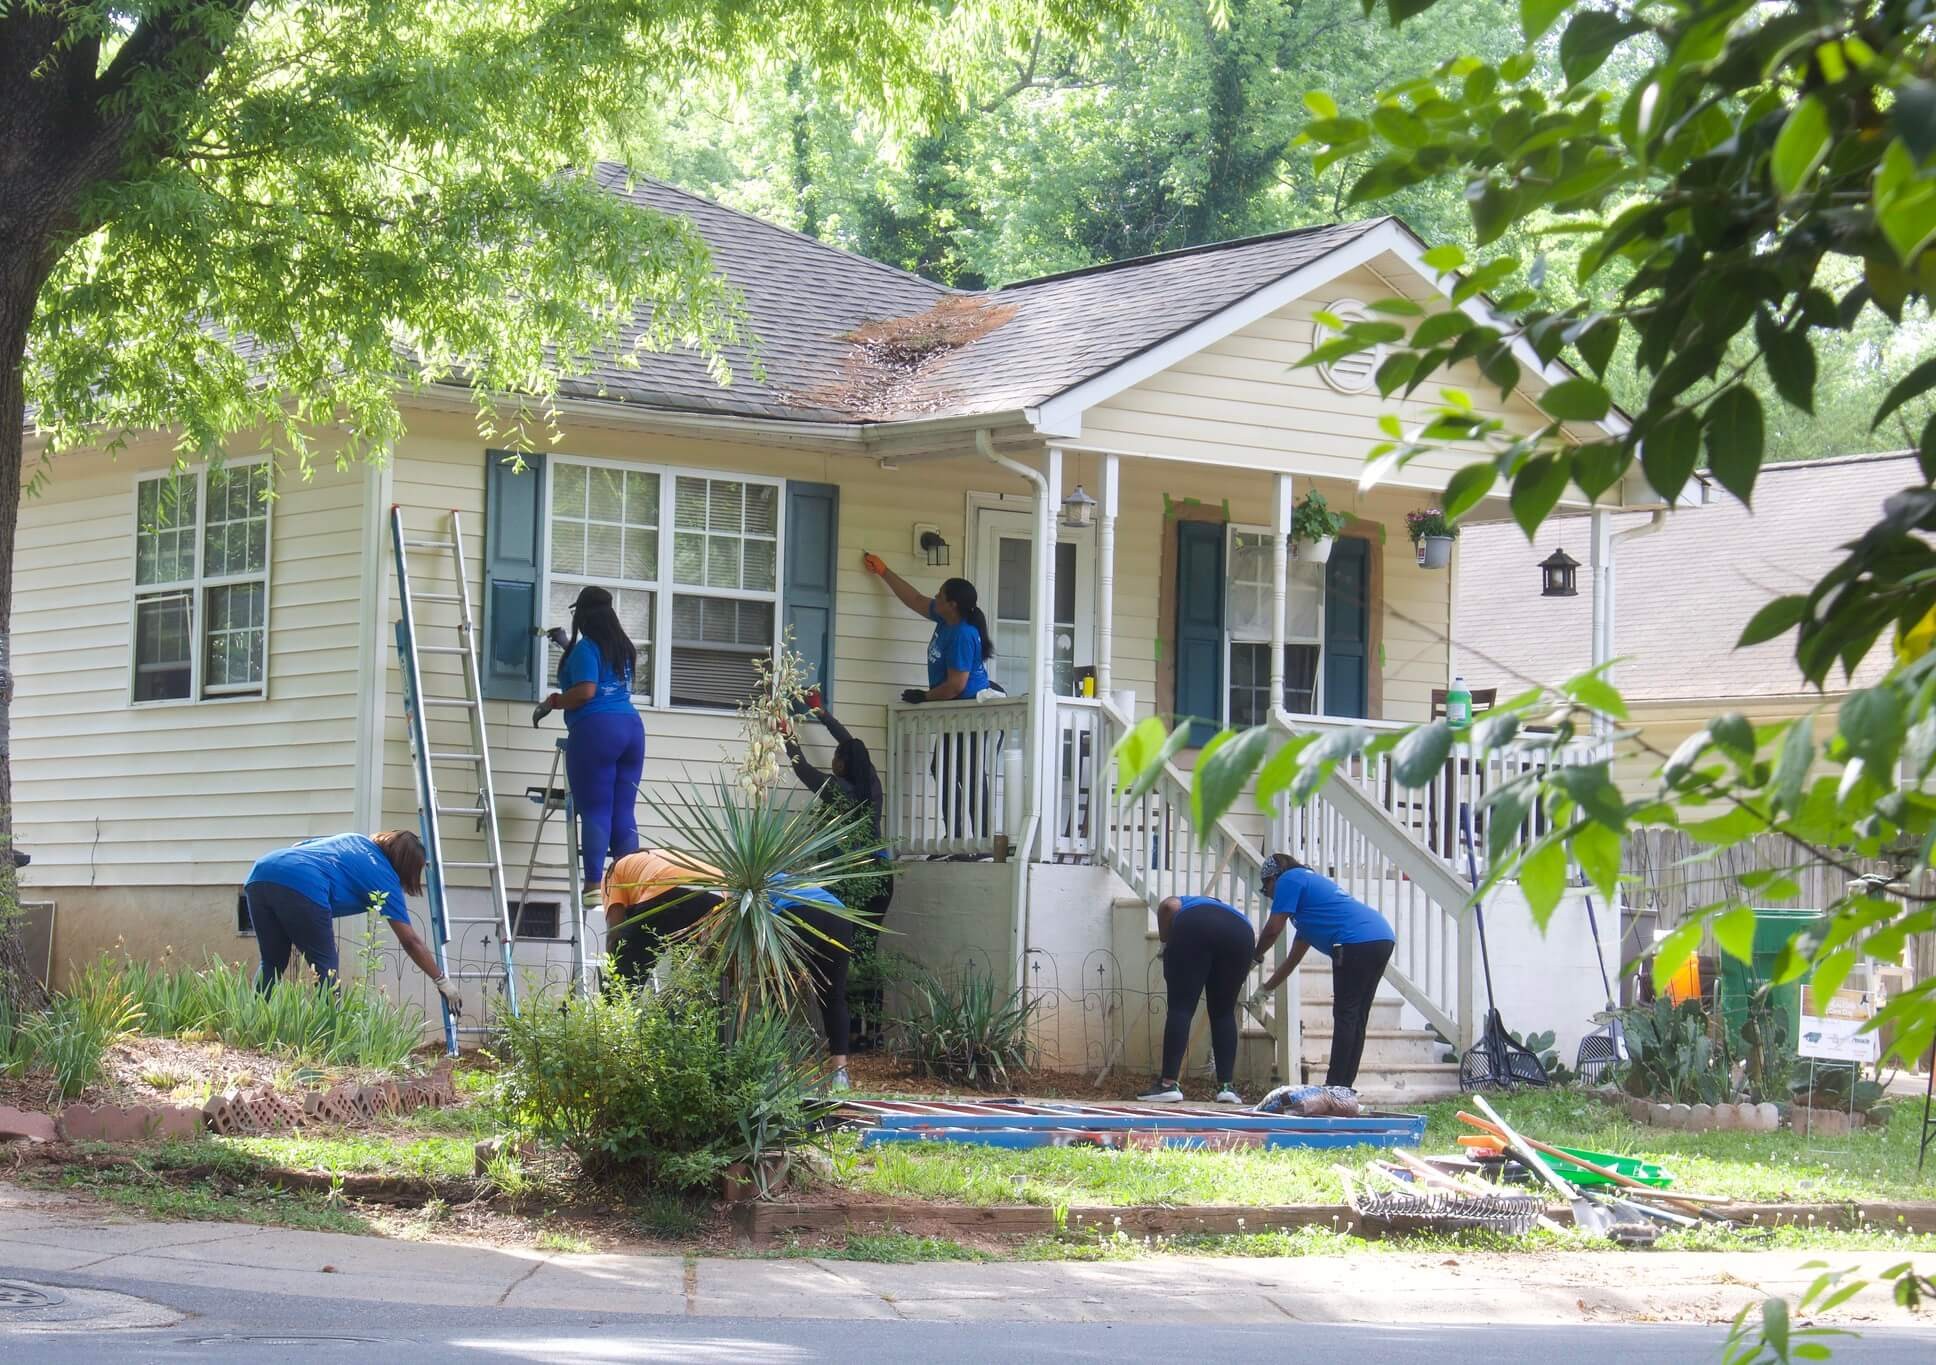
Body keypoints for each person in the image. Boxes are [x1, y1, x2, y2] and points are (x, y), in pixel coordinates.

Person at [244, 830, 462, 1017]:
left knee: (272, 961)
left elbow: (299, 846)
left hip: (261, 872)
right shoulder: (385, 879)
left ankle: (252, 1021)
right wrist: (441, 981)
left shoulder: (355, 839)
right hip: (305, 884)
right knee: (325, 966)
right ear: (408, 867)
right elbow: (410, 941)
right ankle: (328, 1037)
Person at [862, 553, 999, 841]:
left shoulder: (962, 634)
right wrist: (885, 571)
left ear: (953, 605)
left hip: (970, 711)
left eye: (941, 594)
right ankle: (959, 838)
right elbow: (914, 599)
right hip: (954, 712)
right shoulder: (945, 617)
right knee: (947, 769)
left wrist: (923, 697)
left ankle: (982, 842)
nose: (935, 596)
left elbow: (956, 685)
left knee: (969, 774)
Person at [782, 700, 894, 1049]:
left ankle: (854, 1034)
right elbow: (850, 741)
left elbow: (803, 770)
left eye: (836, 757)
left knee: (848, 955)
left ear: (843, 764)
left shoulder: (837, 791)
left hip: (852, 879)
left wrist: (787, 736)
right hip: (881, 877)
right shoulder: (871, 783)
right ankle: (870, 1032)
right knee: (867, 951)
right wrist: (822, 714)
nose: (832, 761)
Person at [536, 585, 645, 909]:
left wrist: (553, 702)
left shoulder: (587, 648)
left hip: (597, 730)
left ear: (583, 616)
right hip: (631, 729)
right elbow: (597, 673)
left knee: (596, 810)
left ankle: (593, 887)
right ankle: (629, 886)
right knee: (623, 811)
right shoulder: (622, 647)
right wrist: (563, 644)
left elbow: (585, 690)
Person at [1252, 852, 1397, 1091]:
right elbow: (1291, 961)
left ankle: (1334, 1087)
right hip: (1381, 937)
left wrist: (1254, 956)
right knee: (1356, 1018)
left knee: (1346, 1015)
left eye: (1266, 889)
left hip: (1354, 942)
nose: (1269, 896)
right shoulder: (1309, 911)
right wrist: (1265, 989)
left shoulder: (1289, 879)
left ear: (1273, 878)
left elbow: (1272, 929)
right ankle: (1344, 1086)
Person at [1140, 895, 1256, 1105]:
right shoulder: (1232, 912)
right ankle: (1226, 1088)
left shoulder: (1187, 903)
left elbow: (1168, 906)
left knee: (1181, 1008)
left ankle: (1168, 1085)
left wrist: (1165, 943)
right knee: (1223, 1012)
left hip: (1194, 929)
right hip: (1242, 935)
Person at [769, 878, 857, 1090]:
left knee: (778, 994)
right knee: (833, 996)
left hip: (799, 915)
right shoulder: (791, 878)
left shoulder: (752, 881)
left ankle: (778, 1072)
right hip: (839, 916)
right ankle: (840, 1076)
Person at [601, 848, 723, 988]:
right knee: (694, 974)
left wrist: (610, 972)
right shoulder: (651, 858)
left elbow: (614, 934)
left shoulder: (611, 873)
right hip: (719, 897)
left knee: (624, 973)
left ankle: (613, 1007)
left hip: (665, 890)